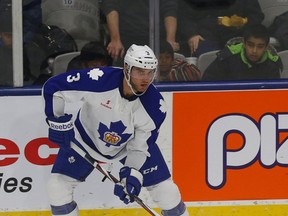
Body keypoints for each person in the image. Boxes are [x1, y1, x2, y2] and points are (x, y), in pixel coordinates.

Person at [42, 44, 189, 216]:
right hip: (84, 140)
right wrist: (56, 121)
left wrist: (131, 174)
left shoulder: (155, 107)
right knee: (57, 188)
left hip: (127, 147)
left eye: (150, 72)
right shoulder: (98, 80)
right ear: (126, 68)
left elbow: (140, 146)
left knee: (167, 193)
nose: (145, 79)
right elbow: (53, 88)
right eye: (140, 72)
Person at [101, 0, 179, 64]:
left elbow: (169, 9)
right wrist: (115, 39)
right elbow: (111, 7)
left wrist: (170, 40)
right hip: (125, 39)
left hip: (157, 40)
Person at [177, 0, 264, 57]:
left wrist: (243, 21)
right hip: (205, 36)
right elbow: (184, 17)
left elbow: (257, 16)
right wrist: (192, 34)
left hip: (237, 36)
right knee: (206, 56)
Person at [202, 24, 283, 81]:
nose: (254, 51)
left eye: (260, 46)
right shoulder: (227, 57)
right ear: (244, 43)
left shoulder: (273, 64)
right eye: (250, 45)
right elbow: (208, 83)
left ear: (266, 47)